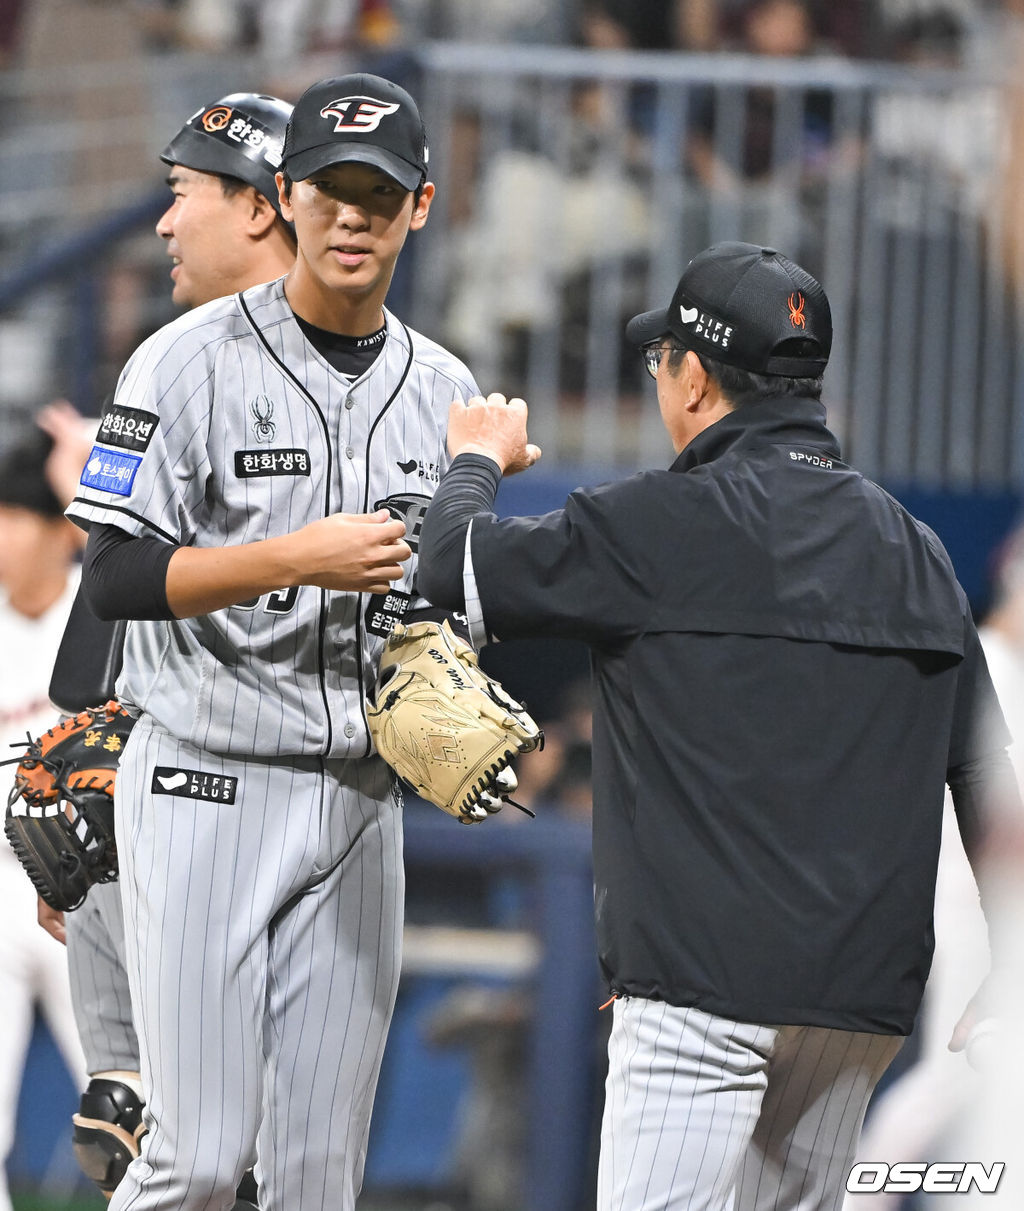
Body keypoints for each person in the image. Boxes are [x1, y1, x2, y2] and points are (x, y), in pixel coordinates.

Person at [415, 241, 1017, 1211]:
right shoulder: (914, 547)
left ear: (692, 377)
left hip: (698, 987)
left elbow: (447, 567)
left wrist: (475, 461)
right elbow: (988, 770)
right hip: (853, 1004)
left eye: (661, 360)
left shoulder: (656, 521)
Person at [65, 72, 479, 1211]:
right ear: (286, 196)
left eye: (378, 196)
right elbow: (114, 575)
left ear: (421, 206)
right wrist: (297, 557)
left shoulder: (445, 388)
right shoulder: (178, 360)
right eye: (332, 191)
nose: (353, 217)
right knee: (195, 1156)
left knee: (311, 1179)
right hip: (208, 781)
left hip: (357, 801)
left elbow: (446, 612)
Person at [29, 91, 297, 1207]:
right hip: (151, 785)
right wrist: (70, 754)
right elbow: (115, 583)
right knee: (144, 1124)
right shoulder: (160, 362)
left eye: (184, 193)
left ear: (262, 205)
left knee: (262, 1148)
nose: (163, 222)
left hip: (286, 799)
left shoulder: (364, 371)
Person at [0, 429, 89, 1211]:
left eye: (12, 514)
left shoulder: (103, 611)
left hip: (88, 888)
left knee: (144, 1113)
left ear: (61, 526)